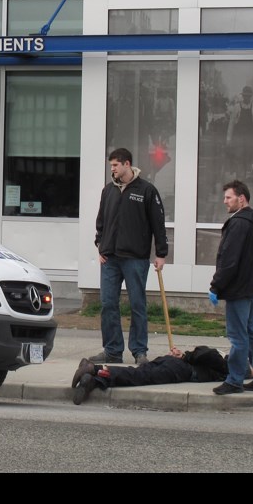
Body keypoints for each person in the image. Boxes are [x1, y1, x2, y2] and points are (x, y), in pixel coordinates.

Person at [92, 148, 168, 365]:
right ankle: (112, 351)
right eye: (111, 166)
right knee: (108, 304)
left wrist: (161, 253)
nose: (112, 170)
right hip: (110, 258)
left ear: (127, 164)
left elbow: (158, 224)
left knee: (137, 304)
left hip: (136, 258)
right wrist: (100, 245)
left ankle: (139, 351)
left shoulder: (146, 190)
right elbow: (101, 222)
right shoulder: (108, 191)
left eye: (115, 165)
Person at [208, 179, 253, 395]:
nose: (225, 201)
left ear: (241, 198)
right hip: (252, 285)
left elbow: (230, 260)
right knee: (252, 331)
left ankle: (235, 380)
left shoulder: (238, 223)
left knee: (238, 336)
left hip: (239, 289)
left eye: (228, 197)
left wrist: (216, 286)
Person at [71, 345, 230, 405]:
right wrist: (184, 356)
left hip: (176, 366)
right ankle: (94, 368)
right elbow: (206, 353)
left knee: (136, 374)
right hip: (181, 369)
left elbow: (204, 354)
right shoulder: (229, 364)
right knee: (137, 376)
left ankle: (93, 380)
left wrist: (184, 356)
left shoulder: (230, 368)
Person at [226, 86, 253, 178]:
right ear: (243, 96)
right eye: (245, 96)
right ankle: (239, 177)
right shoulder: (237, 107)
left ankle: (243, 174)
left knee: (247, 156)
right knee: (239, 156)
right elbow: (231, 124)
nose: (247, 98)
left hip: (250, 137)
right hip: (238, 136)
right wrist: (228, 138)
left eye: (249, 96)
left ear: (251, 97)